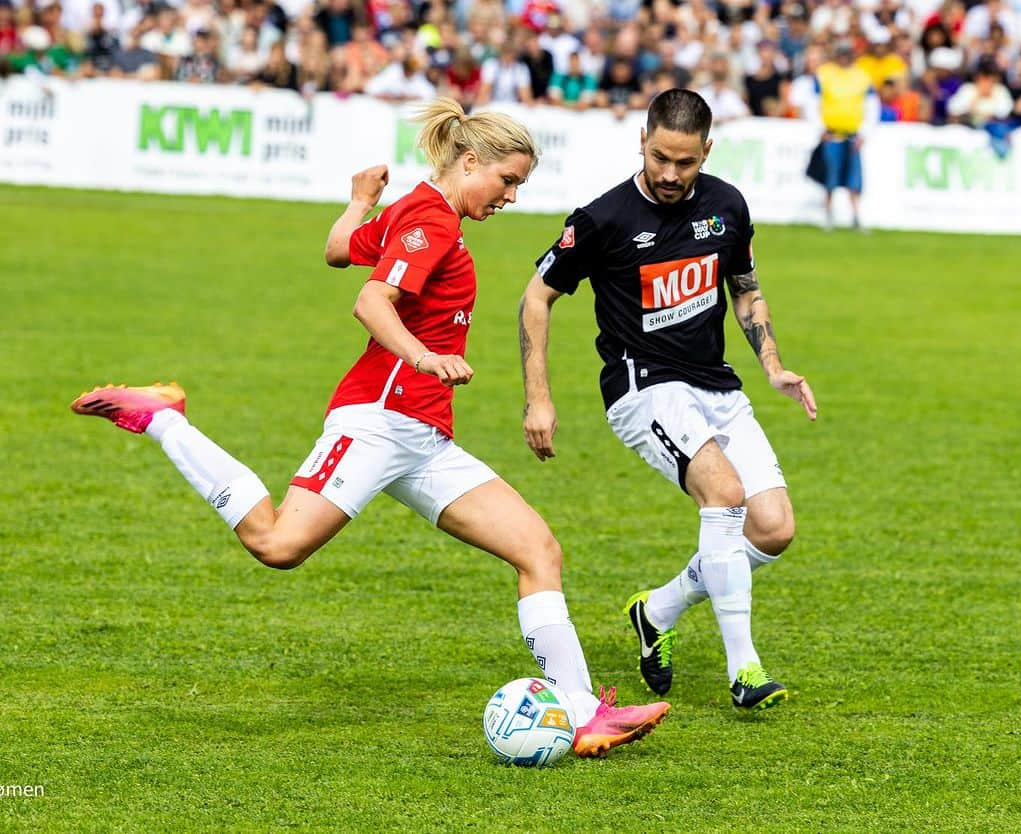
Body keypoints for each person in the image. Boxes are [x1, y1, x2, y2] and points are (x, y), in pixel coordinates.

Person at [71, 98, 669, 758]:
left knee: (537, 549)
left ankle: (581, 713)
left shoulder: (412, 212)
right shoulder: (429, 219)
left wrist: (359, 202)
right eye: (507, 181)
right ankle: (164, 419)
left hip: (422, 436)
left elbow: (336, 252)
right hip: (380, 419)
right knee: (276, 544)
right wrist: (423, 355)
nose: (512, 196)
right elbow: (369, 300)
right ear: (470, 161)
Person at [518, 89, 817, 712]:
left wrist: (773, 364)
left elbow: (745, 289)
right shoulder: (603, 219)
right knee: (725, 495)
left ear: (706, 150)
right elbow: (536, 296)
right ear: (642, 142)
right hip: (643, 386)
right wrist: (538, 399)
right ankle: (745, 670)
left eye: (685, 162)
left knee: (774, 528)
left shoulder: (727, 205)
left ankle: (657, 610)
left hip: (716, 384)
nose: (671, 174)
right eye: (660, 158)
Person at [813, 40, 877, 230]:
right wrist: (819, 128)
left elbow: (872, 105)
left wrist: (864, 132)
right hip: (832, 133)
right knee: (830, 177)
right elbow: (813, 102)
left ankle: (856, 216)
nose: (844, 57)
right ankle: (828, 215)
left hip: (852, 135)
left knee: (854, 179)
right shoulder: (825, 74)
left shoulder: (862, 76)